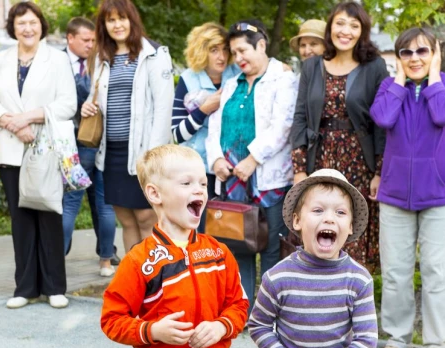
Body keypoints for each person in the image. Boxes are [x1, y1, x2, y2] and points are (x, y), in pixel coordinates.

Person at [100, 144, 249, 348]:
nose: (199, 190)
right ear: (155, 194)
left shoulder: (219, 253)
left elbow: (239, 305)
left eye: (203, 183)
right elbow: (111, 319)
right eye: (186, 183)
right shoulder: (139, 261)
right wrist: (152, 331)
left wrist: (221, 326)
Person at [249, 168, 377, 348]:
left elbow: (366, 340)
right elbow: (258, 325)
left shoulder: (358, 280)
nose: (329, 218)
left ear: (350, 226)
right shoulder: (278, 276)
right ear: (297, 221)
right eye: (318, 210)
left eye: (340, 213)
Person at [370, 27, 445, 348]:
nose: (414, 59)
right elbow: (382, 117)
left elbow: (442, 114)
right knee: (395, 272)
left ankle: (437, 344)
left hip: (441, 195)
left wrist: (434, 75)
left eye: (422, 51)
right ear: (398, 58)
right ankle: (397, 339)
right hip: (395, 195)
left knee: (438, 271)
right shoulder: (389, 88)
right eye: (406, 53)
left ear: (435, 54)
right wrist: (398, 80)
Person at [0, 1, 76, 309]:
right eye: (21, 23)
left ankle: (54, 287)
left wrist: (29, 117)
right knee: (20, 220)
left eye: (32, 22)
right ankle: (25, 288)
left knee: (48, 215)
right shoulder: (0, 60)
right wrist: (11, 122)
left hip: (45, 147)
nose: (27, 28)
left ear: (41, 25)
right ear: (13, 27)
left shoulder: (57, 59)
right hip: (11, 148)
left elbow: (67, 105)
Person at [206, 20, 298, 315]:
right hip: (232, 180)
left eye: (243, 50)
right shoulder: (231, 84)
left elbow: (283, 126)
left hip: (268, 179)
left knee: (272, 246)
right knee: (237, 245)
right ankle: (240, 309)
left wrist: (253, 159)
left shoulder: (284, 80)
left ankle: (269, 311)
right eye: (234, 53)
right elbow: (215, 127)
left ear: (261, 45)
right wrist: (216, 159)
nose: (238, 58)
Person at [290, 1, 389, 273]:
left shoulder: (374, 67)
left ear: (362, 31)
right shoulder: (312, 66)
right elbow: (300, 117)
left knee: (350, 227)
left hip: (358, 160)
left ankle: (355, 301)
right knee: (318, 226)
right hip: (319, 158)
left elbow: (380, 124)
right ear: (330, 26)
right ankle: (317, 302)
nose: (346, 31)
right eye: (340, 23)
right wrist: (299, 170)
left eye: (354, 25)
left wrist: (378, 172)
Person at [81, 0, 174, 253]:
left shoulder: (155, 54)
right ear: (104, 25)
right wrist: (88, 106)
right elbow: (97, 97)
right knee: (125, 219)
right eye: (111, 20)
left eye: (121, 18)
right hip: (112, 153)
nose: (117, 25)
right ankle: (134, 283)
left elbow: (164, 109)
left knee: (146, 217)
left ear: (132, 20)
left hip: (144, 153)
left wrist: (153, 158)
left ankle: (155, 281)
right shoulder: (101, 57)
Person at [62, 17, 118, 277]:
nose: (91, 44)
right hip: (71, 144)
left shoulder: (103, 61)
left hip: (97, 143)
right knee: (76, 202)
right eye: (85, 40)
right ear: (69, 38)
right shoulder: (57, 63)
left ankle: (106, 257)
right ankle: (101, 261)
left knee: (96, 203)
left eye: (94, 39)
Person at [171, 22, 238, 233]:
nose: (222, 56)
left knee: (234, 230)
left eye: (225, 49)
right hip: (199, 169)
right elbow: (177, 135)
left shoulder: (238, 73)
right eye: (214, 50)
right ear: (202, 51)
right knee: (202, 229)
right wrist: (204, 109)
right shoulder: (188, 80)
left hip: (234, 165)